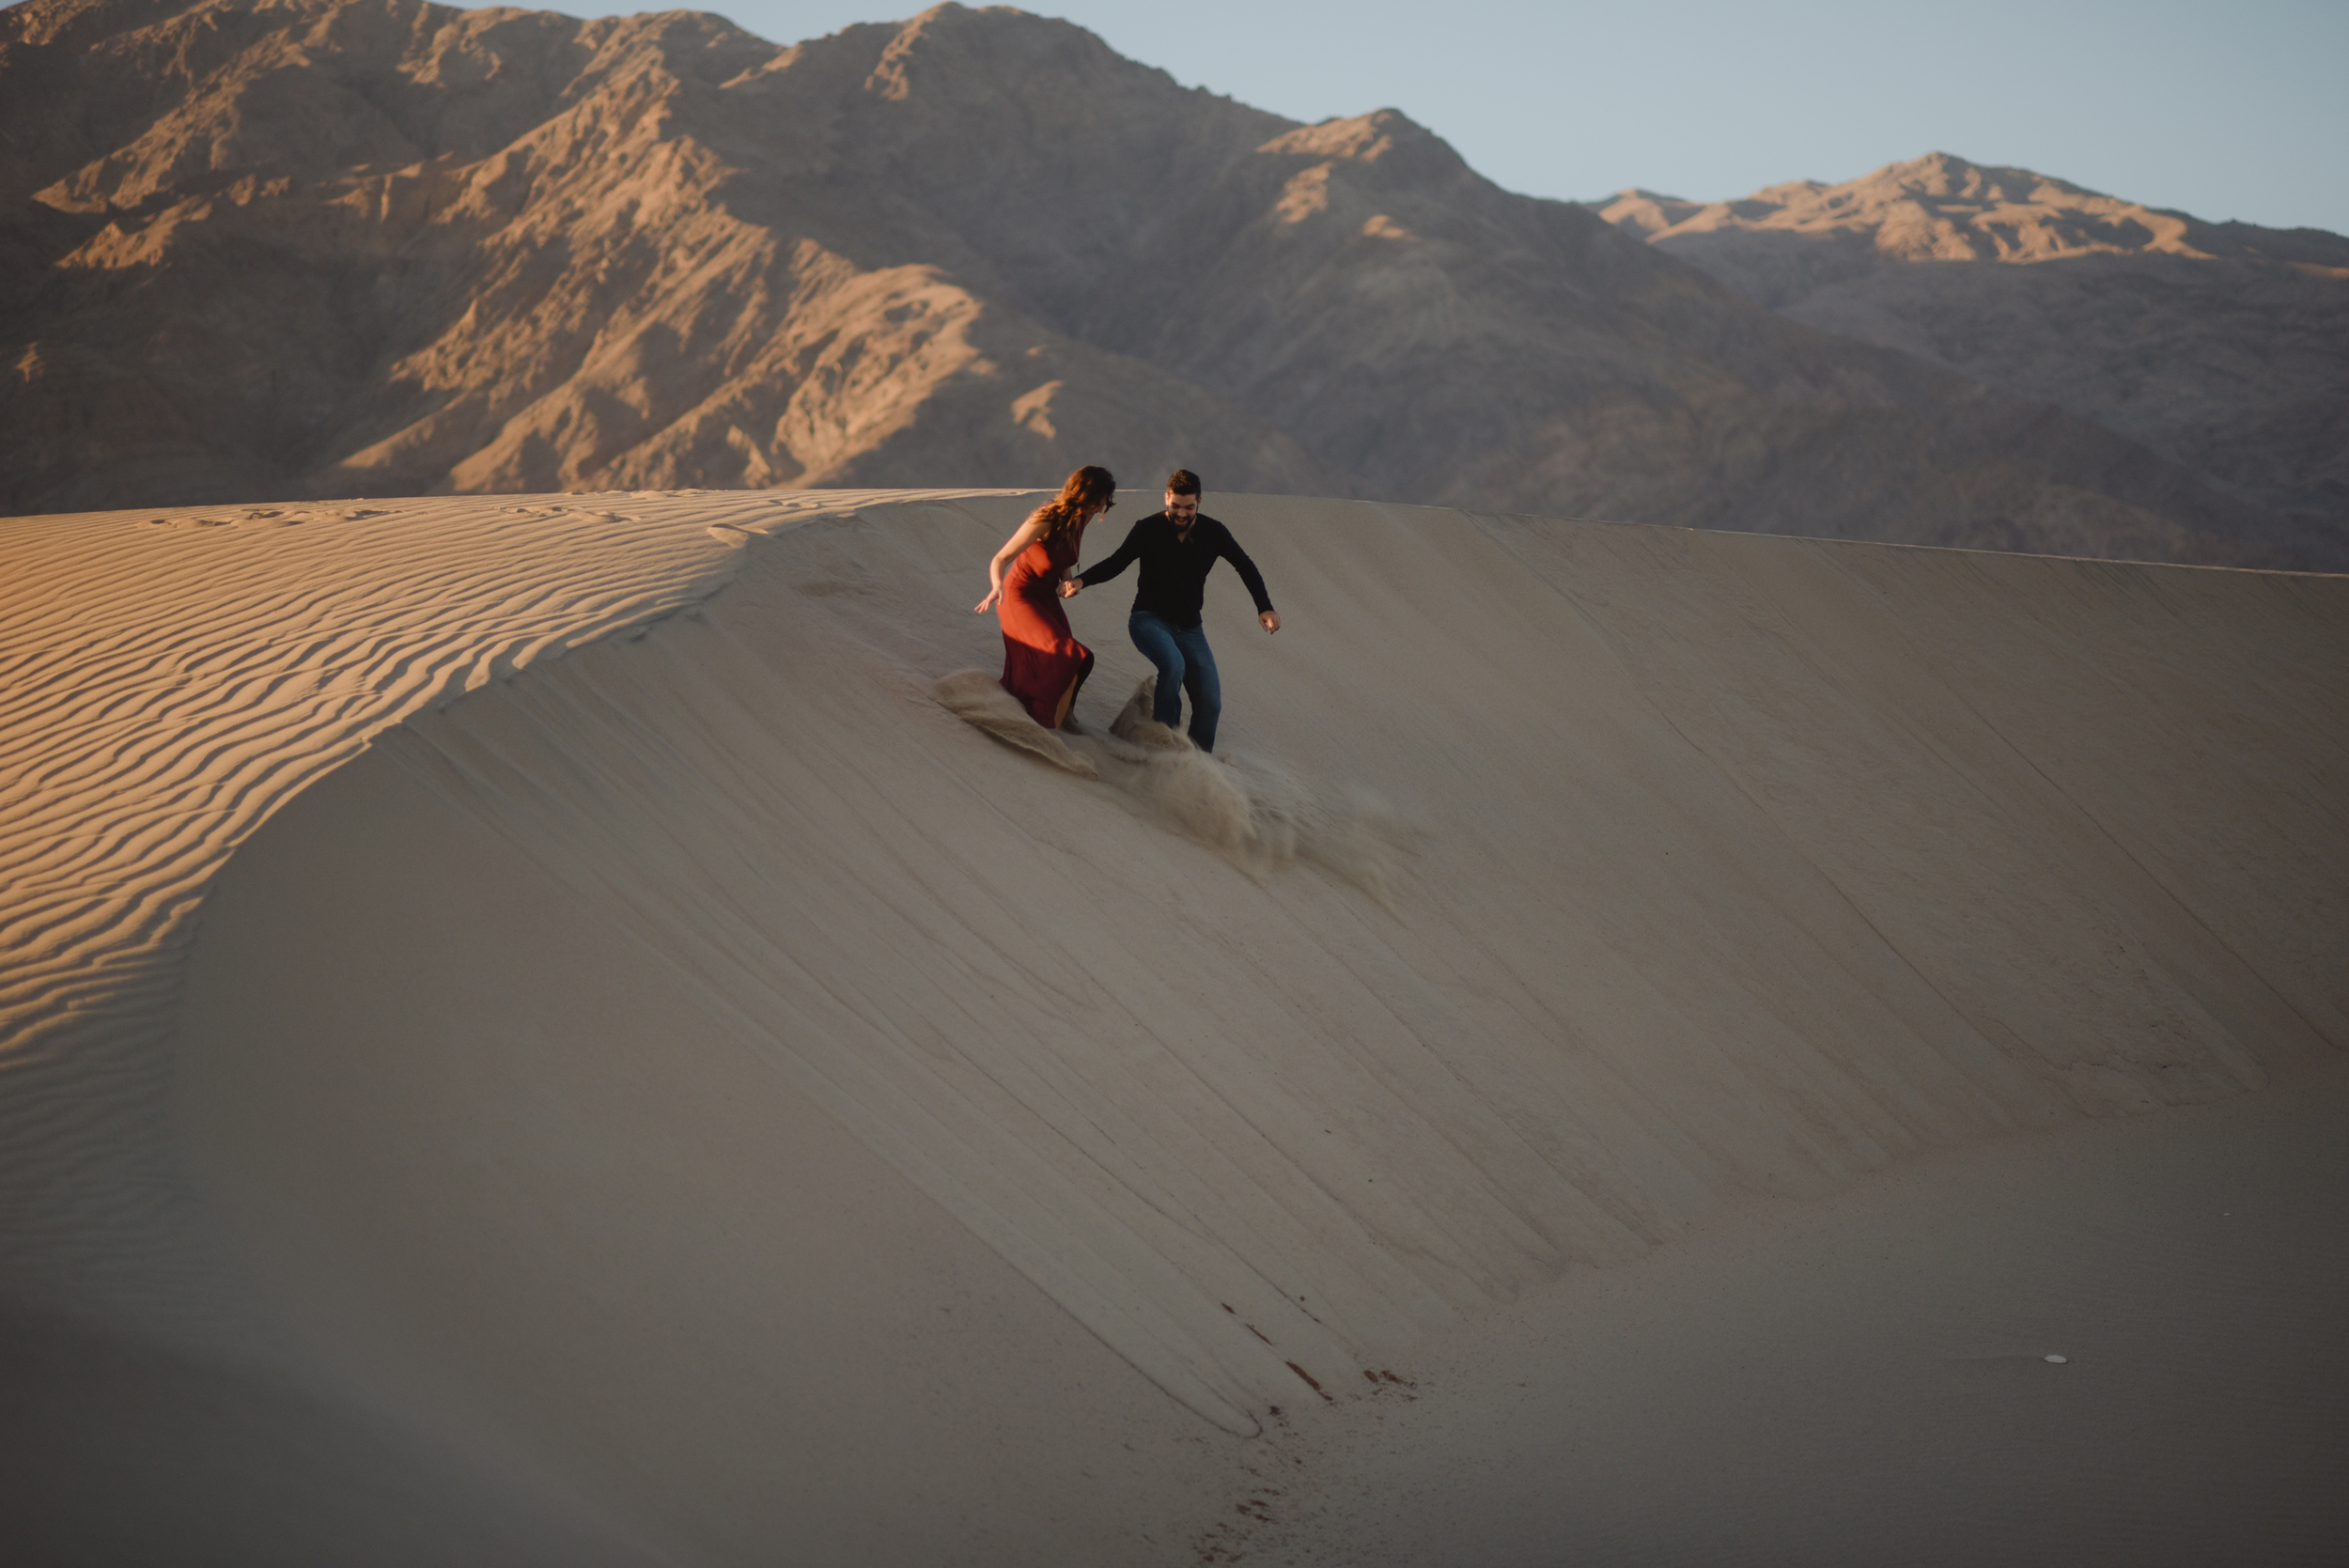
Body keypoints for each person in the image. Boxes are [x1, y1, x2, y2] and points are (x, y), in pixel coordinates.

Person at [1062, 469, 1278, 753]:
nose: (1181, 513)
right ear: (1166, 498)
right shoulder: (1147, 529)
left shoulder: (1213, 532)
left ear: (1199, 502)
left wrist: (1264, 607)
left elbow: (1245, 565)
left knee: (1210, 702)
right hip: (1148, 620)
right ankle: (1163, 744)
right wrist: (1082, 580)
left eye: (1189, 507)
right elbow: (1118, 561)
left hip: (1190, 628)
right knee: (1173, 665)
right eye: (1175, 506)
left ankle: (1195, 765)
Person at [974, 465, 1114, 730]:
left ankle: (1061, 721)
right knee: (1068, 657)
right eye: (1098, 503)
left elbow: (1065, 556)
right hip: (1018, 596)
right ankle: (1049, 732)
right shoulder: (1046, 517)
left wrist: (1067, 582)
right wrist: (995, 586)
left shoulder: (1081, 518)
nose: (1100, 510)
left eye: (1103, 505)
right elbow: (1001, 558)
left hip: (1047, 598)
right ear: (1084, 496)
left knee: (1079, 661)